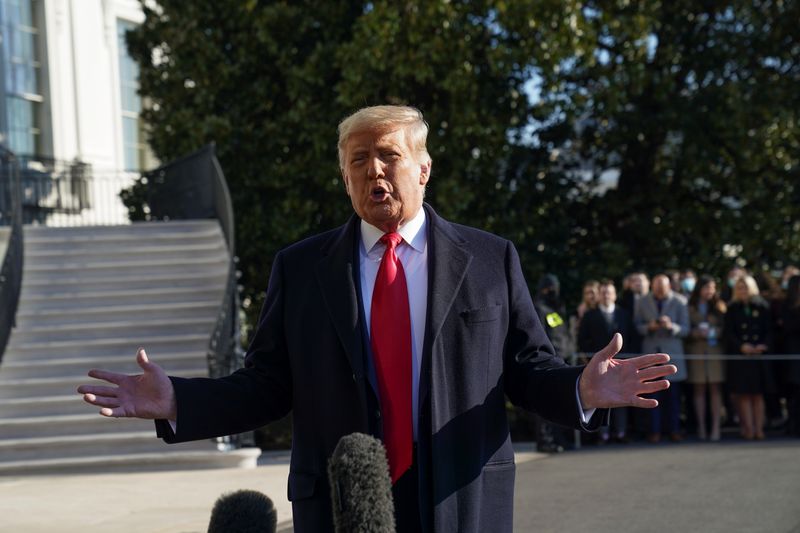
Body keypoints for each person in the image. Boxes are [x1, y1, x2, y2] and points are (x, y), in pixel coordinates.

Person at [77, 105, 676, 533]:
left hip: (460, 496)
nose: (374, 171)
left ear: (423, 168)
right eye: (358, 160)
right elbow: (267, 385)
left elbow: (526, 369)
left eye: (389, 155)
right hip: (344, 500)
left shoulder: (491, 258)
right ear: (344, 177)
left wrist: (581, 387)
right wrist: (179, 400)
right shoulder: (301, 268)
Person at [634, 274, 690, 443]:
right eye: (656, 287)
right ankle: (654, 431)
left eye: (663, 288)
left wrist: (671, 326)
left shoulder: (680, 301)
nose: (659, 290)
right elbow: (636, 326)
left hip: (673, 355)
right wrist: (648, 327)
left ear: (669, 287)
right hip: (651, 353)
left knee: (673, 397)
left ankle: (674, 429)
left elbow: (686, 329)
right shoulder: (642, 301)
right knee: (652, 395)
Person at [578, 279, 634, 443]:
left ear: (615, 295)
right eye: (603, 292)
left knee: (621, 398)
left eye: (609, 292)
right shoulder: (589, 316)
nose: (606, 295)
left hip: (621, 364)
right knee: (601, 399)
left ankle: (621, 432)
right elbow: (583, 340)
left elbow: (631, 337)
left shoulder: (624, 315)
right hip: (599, 366)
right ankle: (603, 433)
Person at [723, 275, 775, 440]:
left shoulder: (762, 307)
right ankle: (748, 428)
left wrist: (763, 345)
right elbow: (729, 333)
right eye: (739, 288)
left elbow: (770, 330)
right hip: (741, 357)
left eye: (745, 287)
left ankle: (759, 428)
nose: (742, 291)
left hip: (758, 357)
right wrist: (741, 346)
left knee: (758, 395)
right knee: (743, 394)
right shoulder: (732, 308)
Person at [685, 276, 726, 441]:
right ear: (699, 288)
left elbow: (726, 328)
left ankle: (716, 427)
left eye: (712, 287)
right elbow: (685, 329)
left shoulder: (720, 306)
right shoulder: (689, 306)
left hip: (715, 351)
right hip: (696, 351)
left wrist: (715, 332)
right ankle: (701, 427)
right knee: (699, 389)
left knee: (716, 389)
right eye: (707, 287)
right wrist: (695, 333)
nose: (710, 291)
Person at [782, 275, 800, 437]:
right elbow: (788, 328)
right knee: (794, 393)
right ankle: (794, 426)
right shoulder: (787, 306)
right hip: (793, 355)